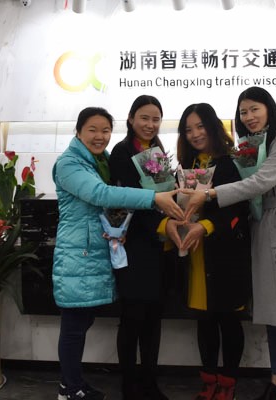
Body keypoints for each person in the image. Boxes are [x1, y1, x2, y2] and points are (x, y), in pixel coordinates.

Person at [52, 106, 184, 400]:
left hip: (93, 250)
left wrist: (119, 225)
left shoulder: (100, 161)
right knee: (74, 325)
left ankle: (73, 383)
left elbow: (109, 204)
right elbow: (101, 194)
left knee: (82, 321)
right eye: (92, 130)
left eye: (105, 130)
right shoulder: (69, 164)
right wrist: (154, 198)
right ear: (78, 131)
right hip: (77, 252)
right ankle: (69, 388)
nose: (100, 136)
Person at [184, 87, 276, 400]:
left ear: (268, 108)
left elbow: (261, 182)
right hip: (261, 227)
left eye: (254, 109)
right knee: (271, 312)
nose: (249, 116)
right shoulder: (256, 144)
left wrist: (211, 194)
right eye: (243, 112)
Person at [165, 103, 252, 400]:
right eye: (188, 129)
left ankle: (228, 383)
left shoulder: (229, 164)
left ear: (213, 126)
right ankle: (209, 381)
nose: (195, 134)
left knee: (228, 320)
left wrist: (207, 226)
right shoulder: (185, 166)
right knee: (204, 320)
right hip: (195, 254)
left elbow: (238, 209)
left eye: (200, 126)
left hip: (224, 256)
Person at [108, 95, 171, 400]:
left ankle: (149, 381)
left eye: (155, 119)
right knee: (132, 318)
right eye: (144, 118)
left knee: (153, 319)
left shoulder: (157, 152)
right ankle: (129, 384)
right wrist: (163, 223)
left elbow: (164, 194)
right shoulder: (121, 153)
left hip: (158, 247)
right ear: (131, 119)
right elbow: (129, 200)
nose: (150, 124)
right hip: (132, 246)